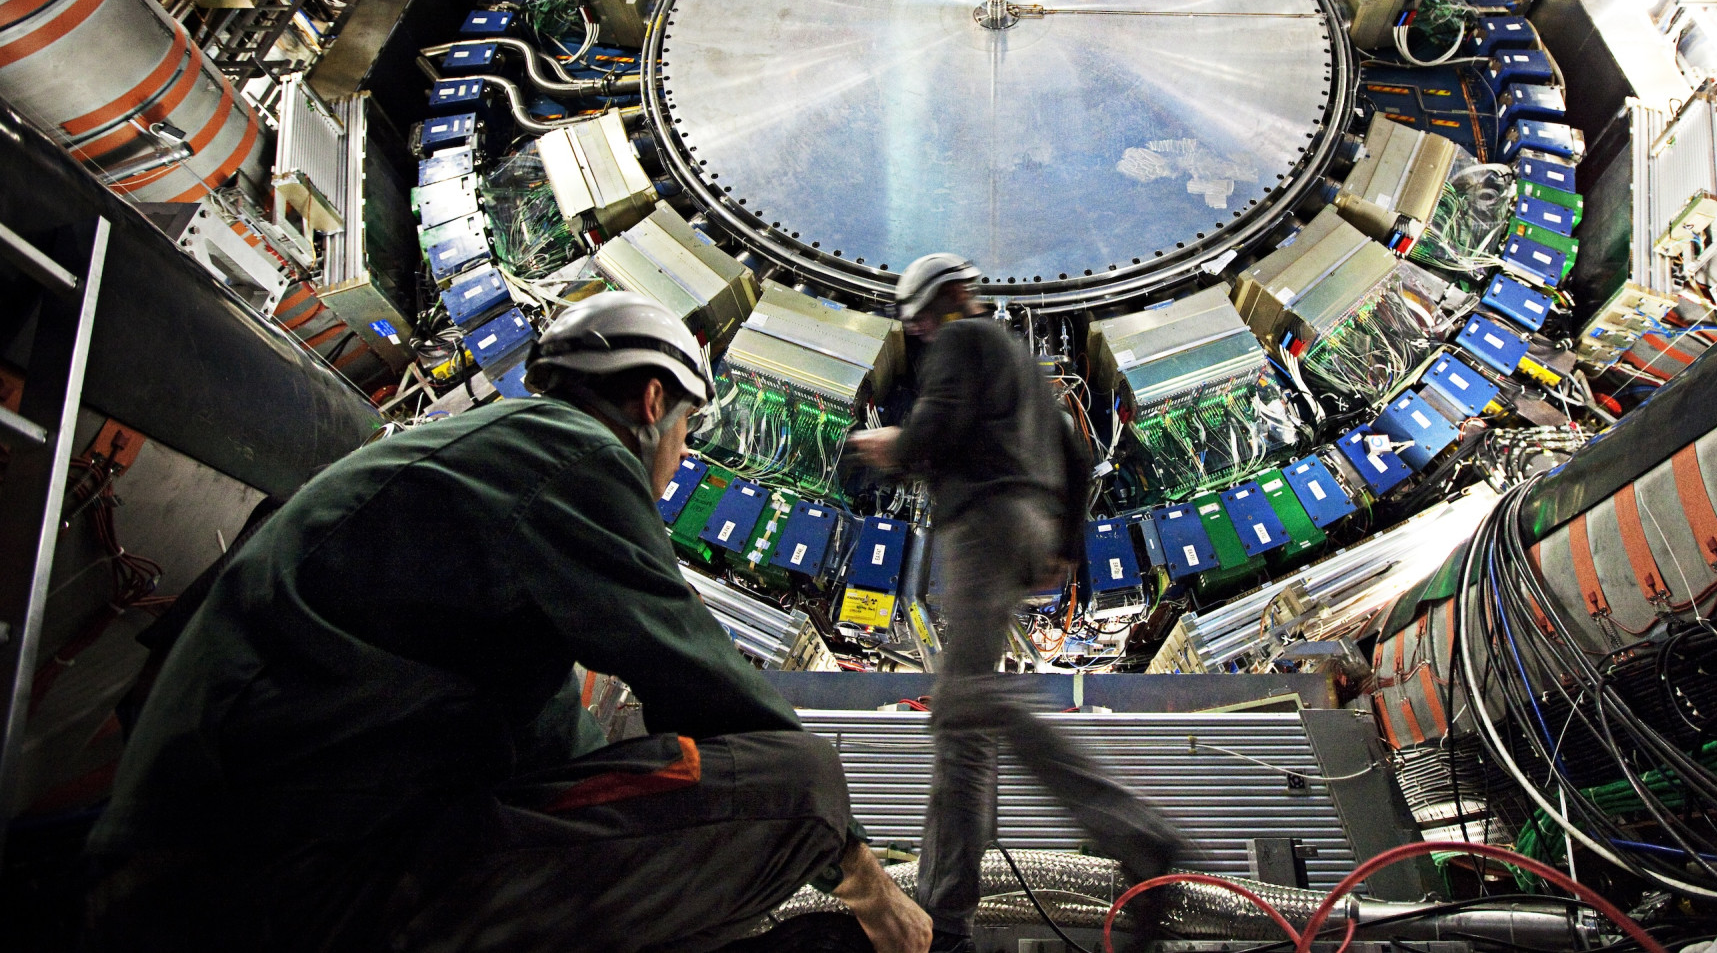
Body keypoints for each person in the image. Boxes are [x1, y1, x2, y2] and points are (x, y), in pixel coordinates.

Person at [86, 294, 930, 953]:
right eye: (684, 434)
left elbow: (546, 758)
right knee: (799, 785)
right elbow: (703, 683)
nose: (678, 464)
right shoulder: (573, 457)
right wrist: (862, 871)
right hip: (289, 886)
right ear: (651, 399)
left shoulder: (461, 455)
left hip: (200, 874)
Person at [847, 254, 1185, 953]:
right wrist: (1064, 540)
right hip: (1024, 523)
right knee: (961, 726)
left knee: (969, 701)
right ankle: (945, 909)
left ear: (926, 311)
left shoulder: (961, 341)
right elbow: (1075, 453)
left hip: (982, 524)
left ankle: (1140, 833)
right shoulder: (1021, 361)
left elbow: (935, 430)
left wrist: (891, 444)